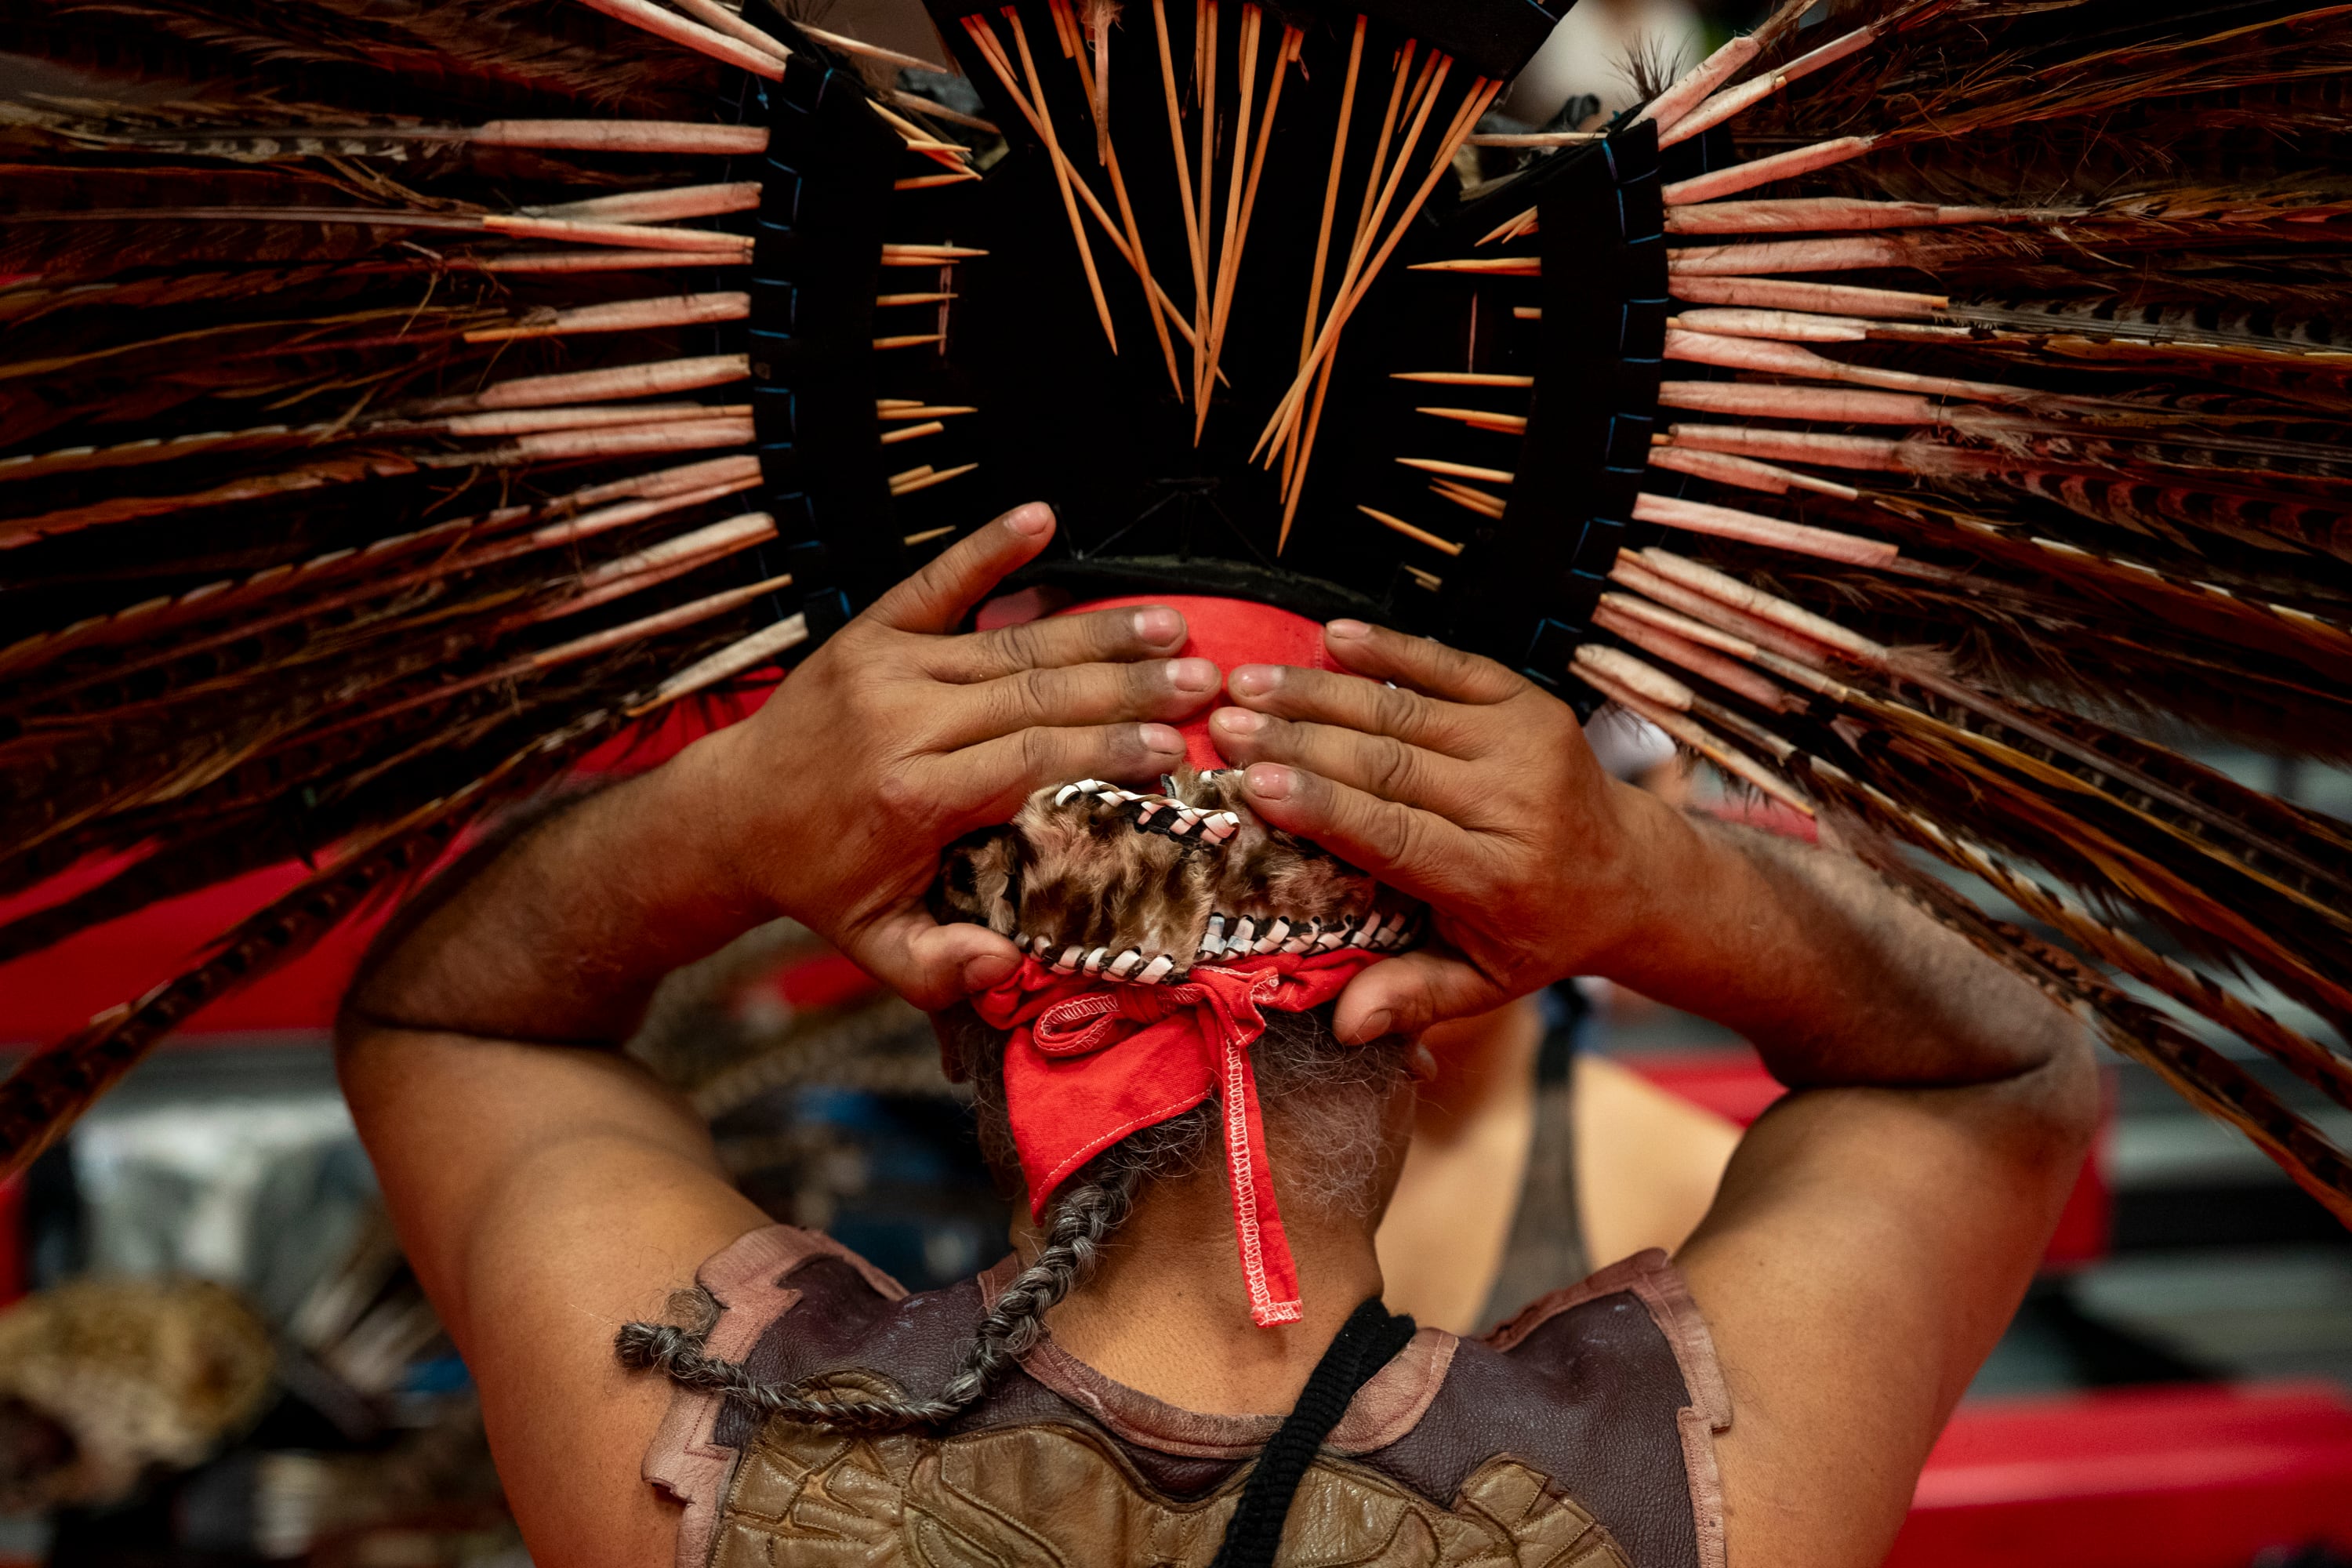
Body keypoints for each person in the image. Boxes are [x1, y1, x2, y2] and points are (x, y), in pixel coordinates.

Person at [339, 504, 2096, 1568]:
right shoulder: (1682, 1500)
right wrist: (1651, 882)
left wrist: (725, 815)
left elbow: (441, 1019)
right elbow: (2014, 1074)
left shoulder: (726, 1473)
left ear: (971, 1020)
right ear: (1424, 1023)